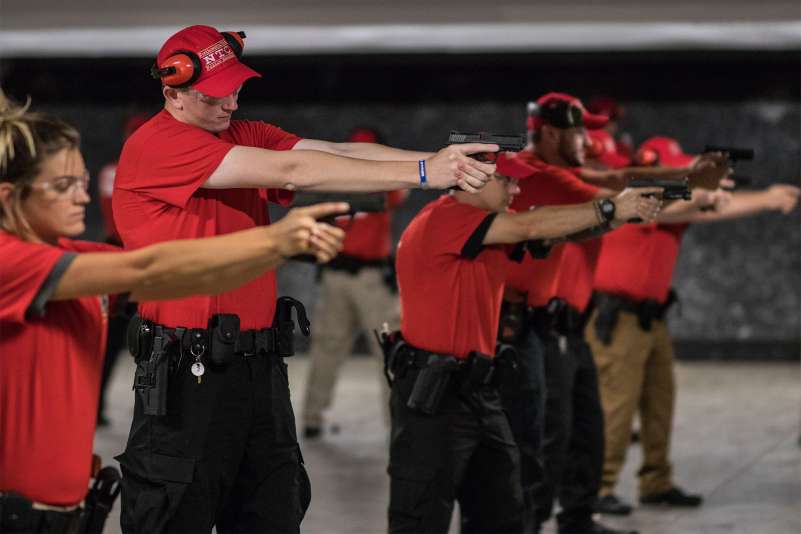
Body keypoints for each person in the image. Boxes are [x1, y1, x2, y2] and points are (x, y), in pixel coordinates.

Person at [112, 25, 497, 534]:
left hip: (256, 369)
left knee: (272, 509)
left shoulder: (238, 132)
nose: (229, 103)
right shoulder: (158, 145)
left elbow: (339, 152)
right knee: (176, 513)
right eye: (214, 95)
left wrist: (441, 162)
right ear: (172, 92)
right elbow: (296, 170)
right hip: (187, 372)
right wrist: (424, 173)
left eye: (236, 89)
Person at [0, 92, 347, 533]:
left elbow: (181, 273)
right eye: (62, 186)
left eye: (82, 182)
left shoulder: (67, 253)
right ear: (10, 196)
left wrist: (272, 252)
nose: (83, 198)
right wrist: (274, 242)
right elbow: (148, 265)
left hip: (61, 516)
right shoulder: (11, 262)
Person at [386, 153, 661, 534]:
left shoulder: (483, 230)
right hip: (436, 397)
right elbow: (531, 226)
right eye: (507, 181)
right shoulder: (446, 217)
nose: (516, 189)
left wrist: (617, 214)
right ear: (474, 179)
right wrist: (613, 205)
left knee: (501, 513)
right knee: (420, 518)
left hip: (477, 391)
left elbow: (554, 230)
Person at [502, 92, 689, 534]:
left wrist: (686, 177)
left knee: (584, 429)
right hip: (536, 325)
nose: (587, 140)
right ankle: (530, 522)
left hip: (571, 325)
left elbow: (616, 180)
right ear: (550, 132)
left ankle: (578, 517)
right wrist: (675, 183)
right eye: (578, 131)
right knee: (545, 435)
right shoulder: (536, 173)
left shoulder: (564, 173)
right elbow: (613, 187)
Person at [586, 135, 801, 515]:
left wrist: (721, 197)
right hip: (617, 318)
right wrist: (728, 197)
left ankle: (656, 482)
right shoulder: (637, 200)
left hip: (651, 317)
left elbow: (701, 207)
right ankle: (598, 488)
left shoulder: (673, 203)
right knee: (615, 408)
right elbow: (686, 207)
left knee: (659, 402)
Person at [302, 128, 406, 439]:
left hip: (359, 276)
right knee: (382, 350)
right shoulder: (377, 182)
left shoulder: (343, 183)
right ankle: (397, 423)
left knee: (378, 350)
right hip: (350, 276)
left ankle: (313, 417)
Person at [95, 112, 148, 427]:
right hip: (129, 256)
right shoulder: (117, 173)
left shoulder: (111, 172)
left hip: (128, 257)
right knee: (114, 338)